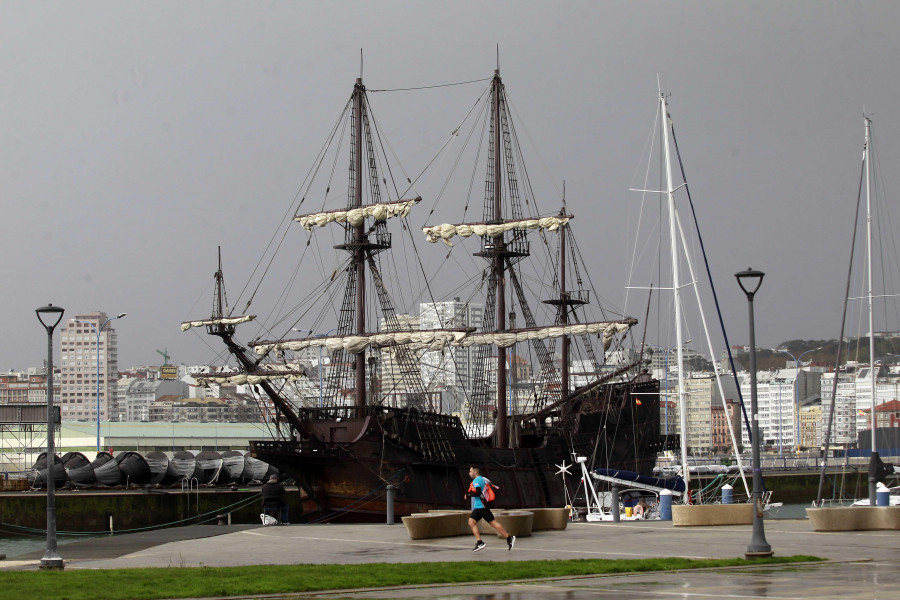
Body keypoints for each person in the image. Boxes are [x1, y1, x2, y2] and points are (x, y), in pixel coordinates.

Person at [465, 465, 514, 552]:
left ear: (475, 472)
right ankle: (480, 542)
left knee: (493, 523)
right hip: (479, 506)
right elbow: (493, 488)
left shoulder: (476, 480)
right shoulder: (484, 479)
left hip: (482, 506)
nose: (469, 473)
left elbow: (478, 493)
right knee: (471, 522)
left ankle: (509, 538)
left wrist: (468, 495)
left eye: (470, 471)